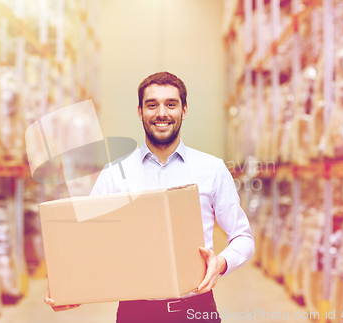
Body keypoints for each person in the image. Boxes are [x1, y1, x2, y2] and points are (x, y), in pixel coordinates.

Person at [45, 71, 255, 322]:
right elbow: (88, 244)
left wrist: (220, 263)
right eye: (152, 105)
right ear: (140, 111)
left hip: (197, 309)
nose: (161, 113)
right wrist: (68, 285)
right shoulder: (115, 174)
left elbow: (243, 237)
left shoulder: (212, 169)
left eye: (171, 104)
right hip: (136, 311)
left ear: (184, 110)